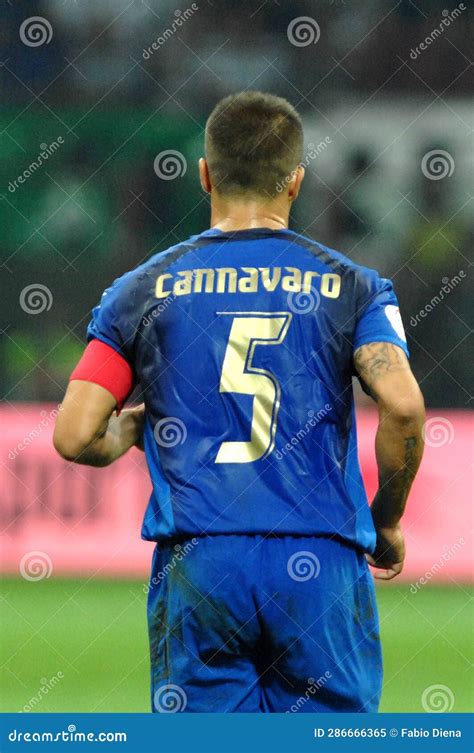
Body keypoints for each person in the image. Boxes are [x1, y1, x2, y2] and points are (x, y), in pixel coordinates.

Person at [53, 91, 425, 713]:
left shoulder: (139, 289)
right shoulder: (353, 287)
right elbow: (405, 407)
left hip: (202, 559)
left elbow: (74, 434)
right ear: (296, 182)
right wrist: (385, 520)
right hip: (319, 558)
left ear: (204, 174)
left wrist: (137, 428)